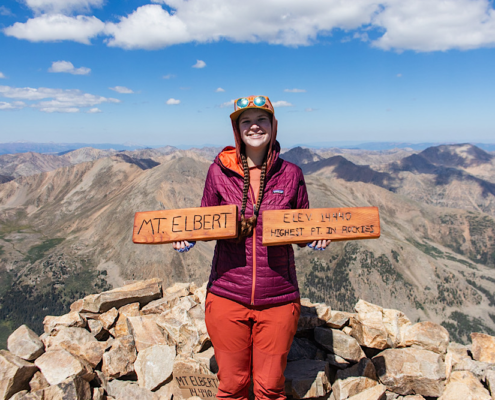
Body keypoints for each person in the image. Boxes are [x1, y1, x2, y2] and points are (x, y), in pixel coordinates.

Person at [173, 95, 330, 400]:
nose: (254, 127)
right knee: (231, 386)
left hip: (279, 298)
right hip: (227, 295)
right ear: (236, 129)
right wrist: (187, 237)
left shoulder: (292, 174)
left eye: (262, 120)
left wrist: (313, 237)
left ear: (273, 125)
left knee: (270, 388)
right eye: (246, 121)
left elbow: (300, 226)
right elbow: (206, 220)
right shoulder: (218, 171)